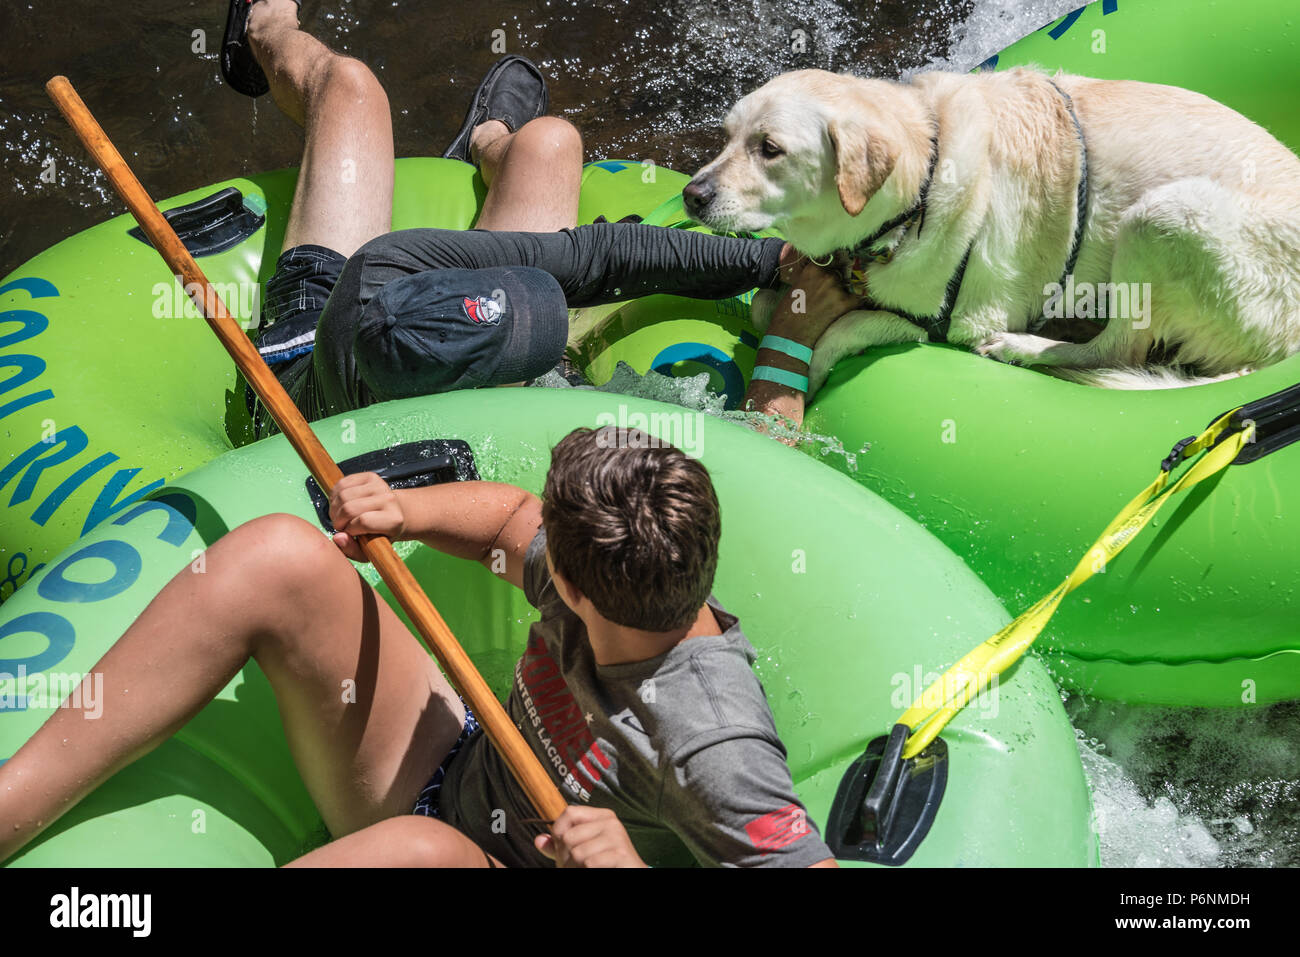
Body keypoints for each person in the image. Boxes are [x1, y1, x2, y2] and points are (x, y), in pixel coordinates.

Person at [0, 426, 837, 867]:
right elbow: (513, 519)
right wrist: (409, 511)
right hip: (455, 771)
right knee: (279, 553)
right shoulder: (612, 576)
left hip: (488, 860)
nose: (540, 537)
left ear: (577, 593)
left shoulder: (714, 746)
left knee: (420, 853)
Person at [219, 0, 861, 437]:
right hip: (311, 367)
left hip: (365, 296)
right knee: (366, 93)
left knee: (537, 139)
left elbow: (597, 258)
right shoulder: (444, 446)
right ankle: (273, 28)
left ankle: (481, 137)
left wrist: (774, 261)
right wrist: (791, 338)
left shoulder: (393, 262)